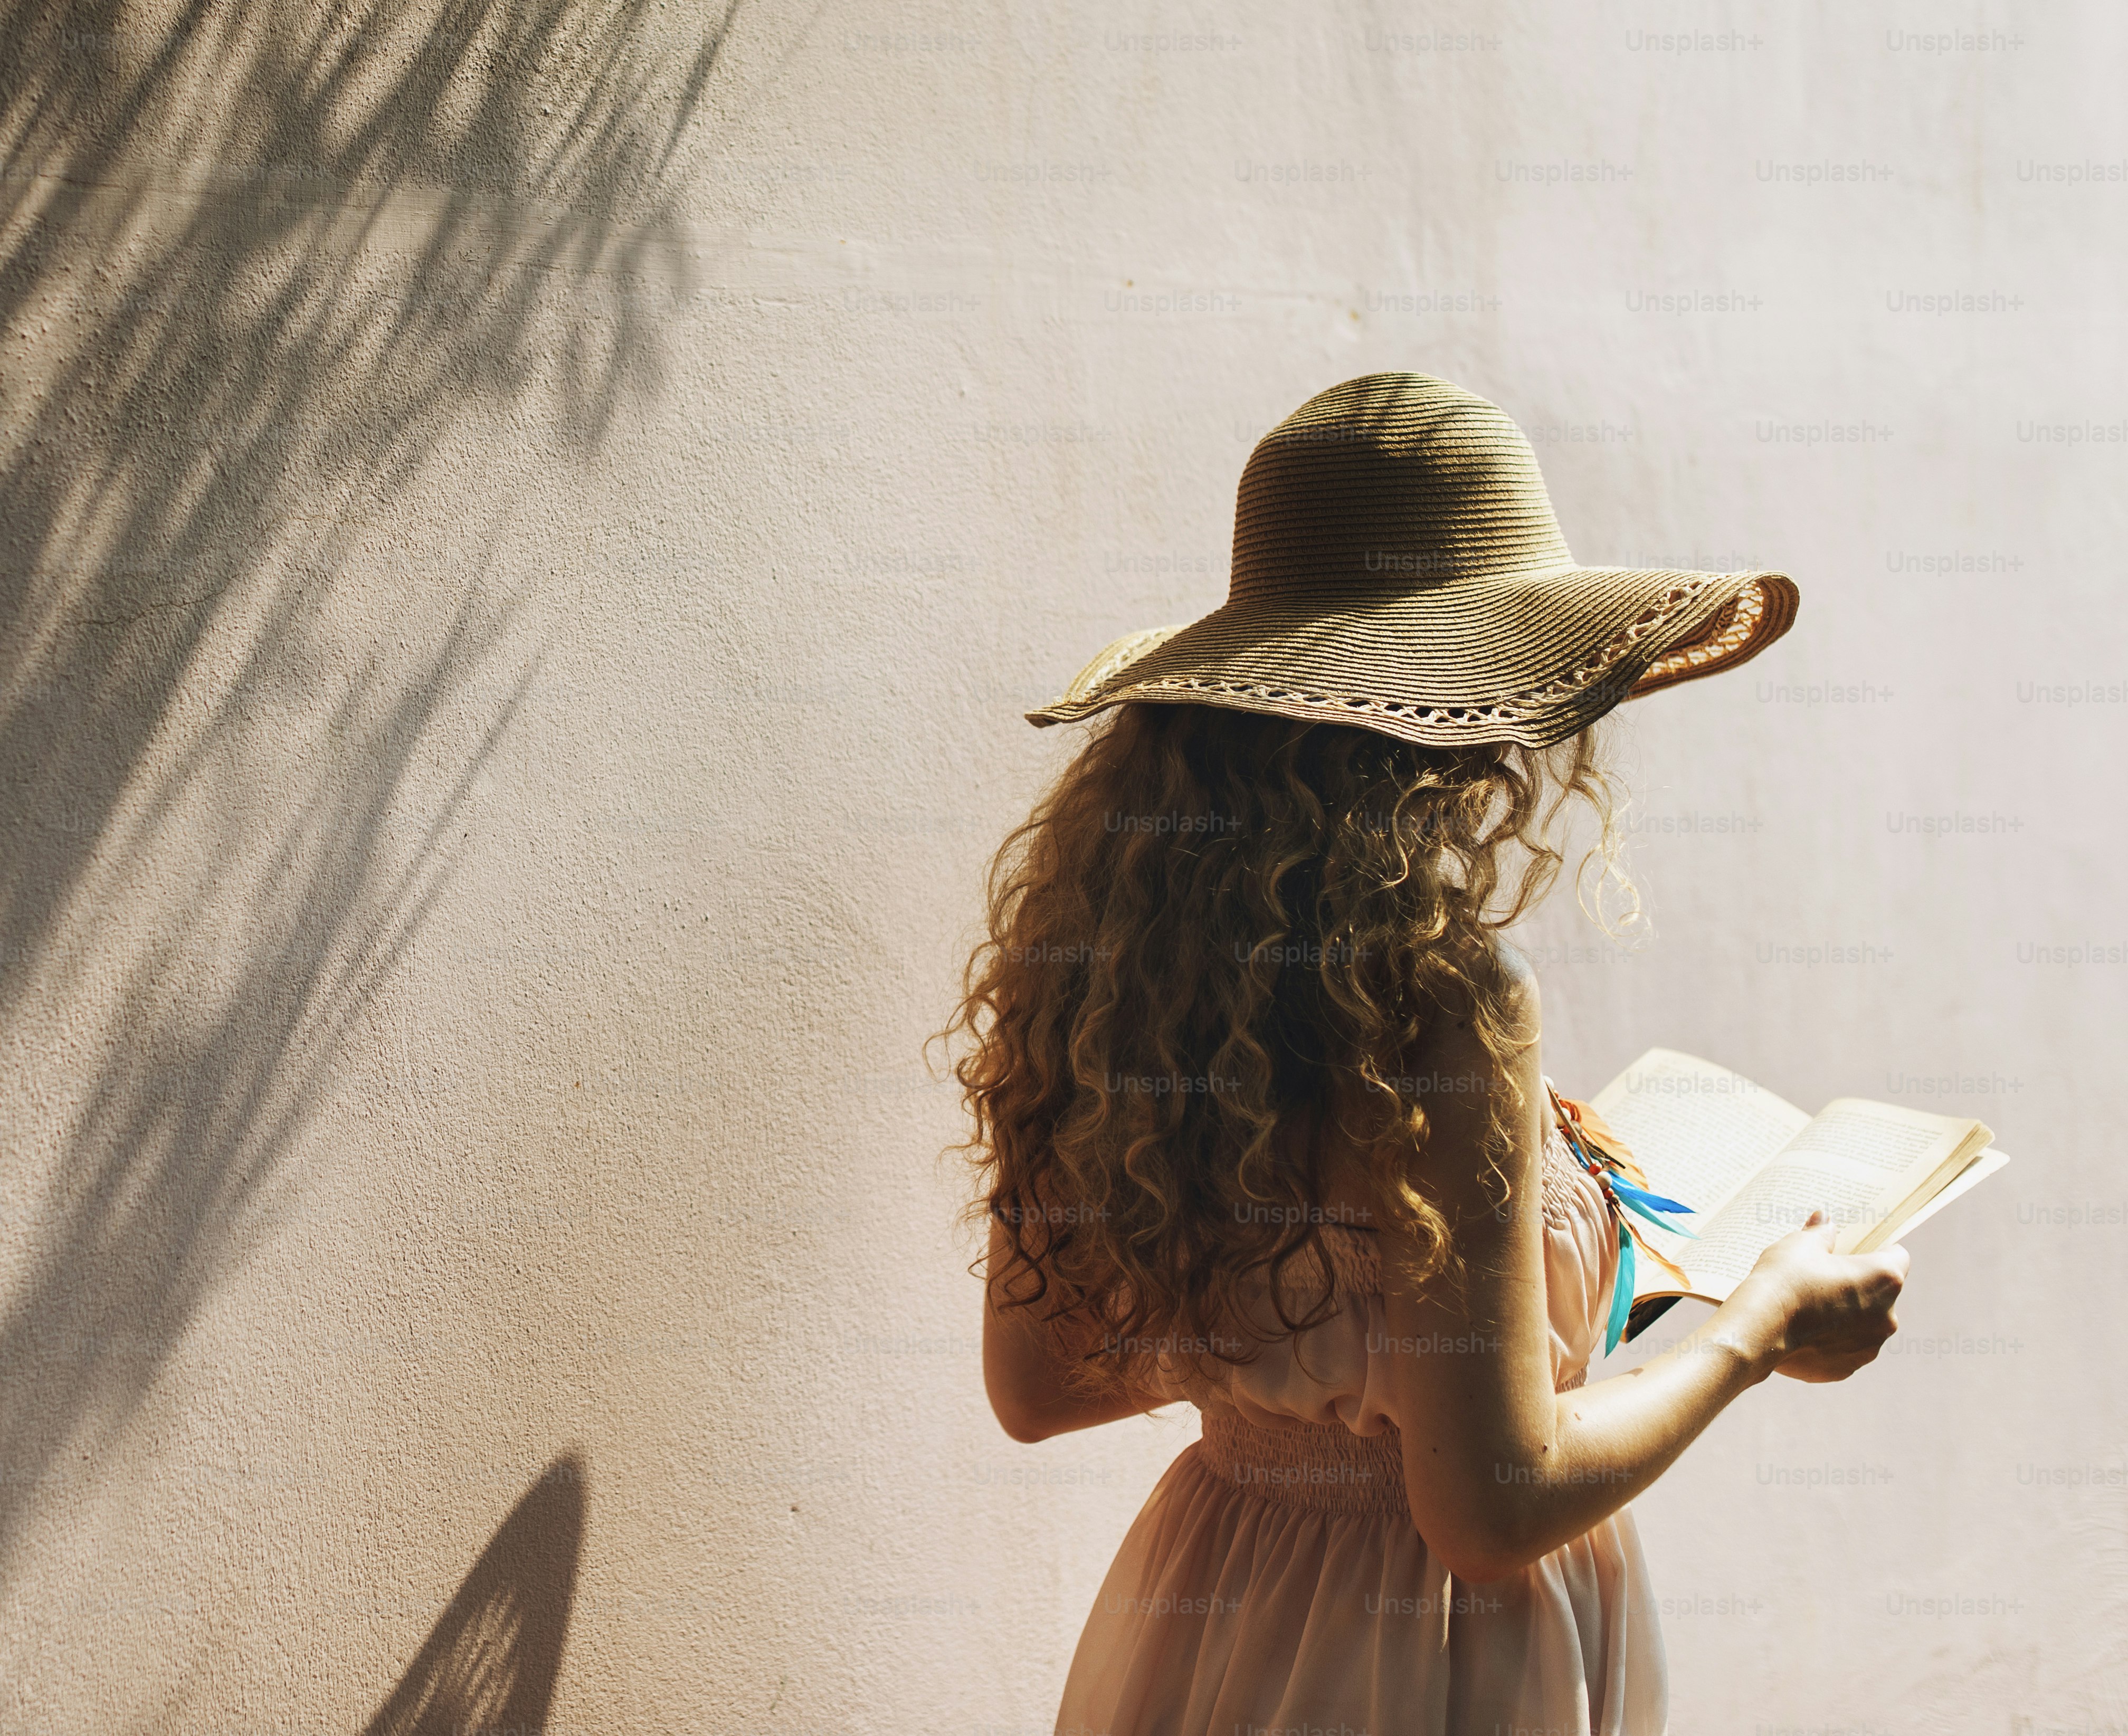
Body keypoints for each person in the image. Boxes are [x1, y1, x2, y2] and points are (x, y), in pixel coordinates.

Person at [938, 373, 1908, 1735]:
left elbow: (1036, 1382)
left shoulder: (1117, 967)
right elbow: (1491, 1505)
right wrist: (1760, 1324)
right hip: (1428, 1663)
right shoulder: (1440, 1008)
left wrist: (1308, 1364)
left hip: (1209, 1624)